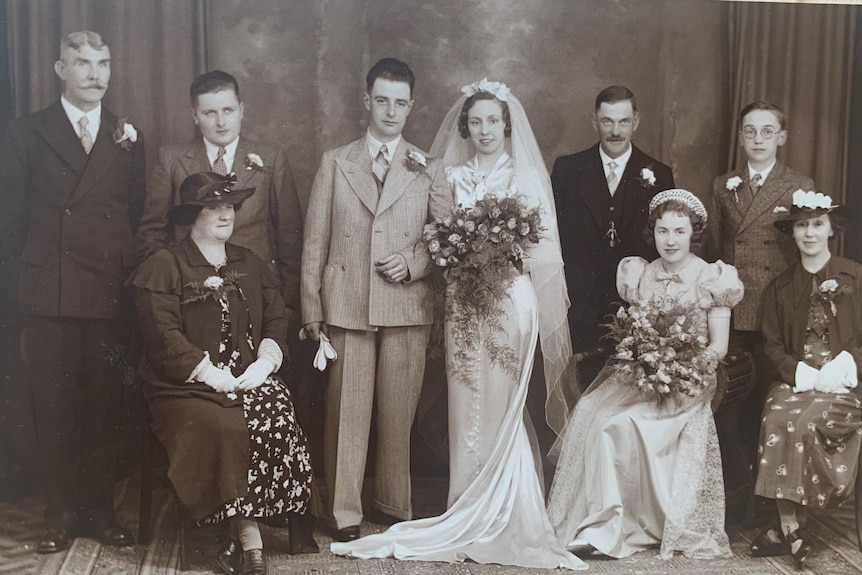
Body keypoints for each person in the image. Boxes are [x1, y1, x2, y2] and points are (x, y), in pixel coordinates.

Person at [329, 79, 584, 570]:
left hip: (510, 298)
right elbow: (436, 237)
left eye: (493, 121)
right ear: (464, 126)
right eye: (476, 121)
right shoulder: (448, 175)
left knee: (501, 402)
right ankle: (465, 507)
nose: (485, 129)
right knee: (465, 401)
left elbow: (543, 252)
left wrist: (498, 254)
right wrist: (459, 254)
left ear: (506, 125)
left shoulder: (525, 176)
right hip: (465, 303)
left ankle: (506, 510)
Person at [0, 31, 145, 553]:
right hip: (49, 292)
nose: (95, 73)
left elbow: (133, 216)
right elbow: (9, 225)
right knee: (54, 407)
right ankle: (59, 513)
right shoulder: (25, 132)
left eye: (103, 63)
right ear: (60, 70)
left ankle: (100, 511)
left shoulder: (125, 135)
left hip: (106, 290)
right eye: (82, 63)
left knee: (105, 407)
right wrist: (29, 284)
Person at [129, 172, 315, 575]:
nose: (223, 214)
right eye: (212, 207)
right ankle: (249, 541)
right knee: (221, 424)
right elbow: (162, 335)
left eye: (228, 206)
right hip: (184, 386)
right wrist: (209, 374)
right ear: (191, 215)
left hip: (247, 377)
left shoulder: (248, 261)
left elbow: (276, 318)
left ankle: (241, 533)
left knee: (277, 409)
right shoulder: (166, 264)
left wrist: (266, 361)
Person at [547, 189, 744, 560]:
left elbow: (718, 347)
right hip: (644, 375)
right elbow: (636, 331)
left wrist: (681, 366)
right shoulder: (641, 273)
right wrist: (645, 359)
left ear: (693, 233)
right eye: (663, 231)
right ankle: (601, 524)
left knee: (625, 425)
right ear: (653, 232)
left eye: (679, 232)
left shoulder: (712, 277)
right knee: (596, 415)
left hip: (690, 380)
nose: (670, 241)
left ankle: (641, 523)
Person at [300, 58, 450, 541]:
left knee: (398, 411)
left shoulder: (429, 167)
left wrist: (415, 261)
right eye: (381, 100)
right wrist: (312, 310)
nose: (390, 112)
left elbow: (444, 235)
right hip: (347, 303)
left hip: (407, 305)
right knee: (347, 410)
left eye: (400, 103)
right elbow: (314, 242)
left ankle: (391, 502)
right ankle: (343, 511)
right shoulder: (336, 162)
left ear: (411, 106)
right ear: (367, 101)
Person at [708, 101, 816, 517]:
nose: (757, 139)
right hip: (733, 309)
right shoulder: (723, 184)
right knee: (729, 402)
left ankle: (767, 502)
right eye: (750, 131)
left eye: (766, 132)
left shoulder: (797, 183)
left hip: (775, 310)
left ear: (781, 137)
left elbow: (805, 252)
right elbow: (716, 247)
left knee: (765, 406)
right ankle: (735, 499)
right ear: (740, 136)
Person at [137, 70, 303, 326]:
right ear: (194, 115)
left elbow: (290, 240)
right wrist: (174, 283)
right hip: (191, 292)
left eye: (228, 110)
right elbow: (152, 232)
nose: (221, 122)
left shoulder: (271, 160)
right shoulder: (172, 160)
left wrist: (287, 306)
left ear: (242, 110)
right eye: (209, 113)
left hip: (257, 289)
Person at [749, 190, 861, 569]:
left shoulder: (854, 276)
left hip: (845, 379)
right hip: (797, 378)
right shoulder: (780, 287)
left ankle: (790, 526)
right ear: (792, 233)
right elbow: (773, 345)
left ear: (831, 229)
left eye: (817, 224)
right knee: (778, 417)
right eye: (801, 226)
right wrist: (802, 373)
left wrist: (845, 363)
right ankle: (790, 524)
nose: (809, 233)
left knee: (812, 420)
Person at [552, 85, 674, 369]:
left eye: (623, 122)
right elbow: (553, 236)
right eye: (607, 121)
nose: (615, 131)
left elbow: (663, 245)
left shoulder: (660, 174)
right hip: (576, 303)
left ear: (636, 121)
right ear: (595, 121)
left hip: (633, 306)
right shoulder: (567, 170)